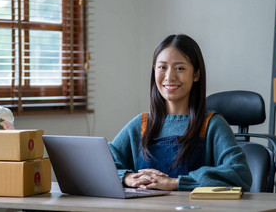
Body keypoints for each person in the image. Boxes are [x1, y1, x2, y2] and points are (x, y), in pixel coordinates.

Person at [108, 34, 252, 191]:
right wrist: (128, 177)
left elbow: (240, 174)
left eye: (180, 68)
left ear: (196, 74)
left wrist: (175, 183)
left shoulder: (211, 124)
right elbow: (101, 165)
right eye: (162, 67)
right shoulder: (141, 124)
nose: (169, 77)